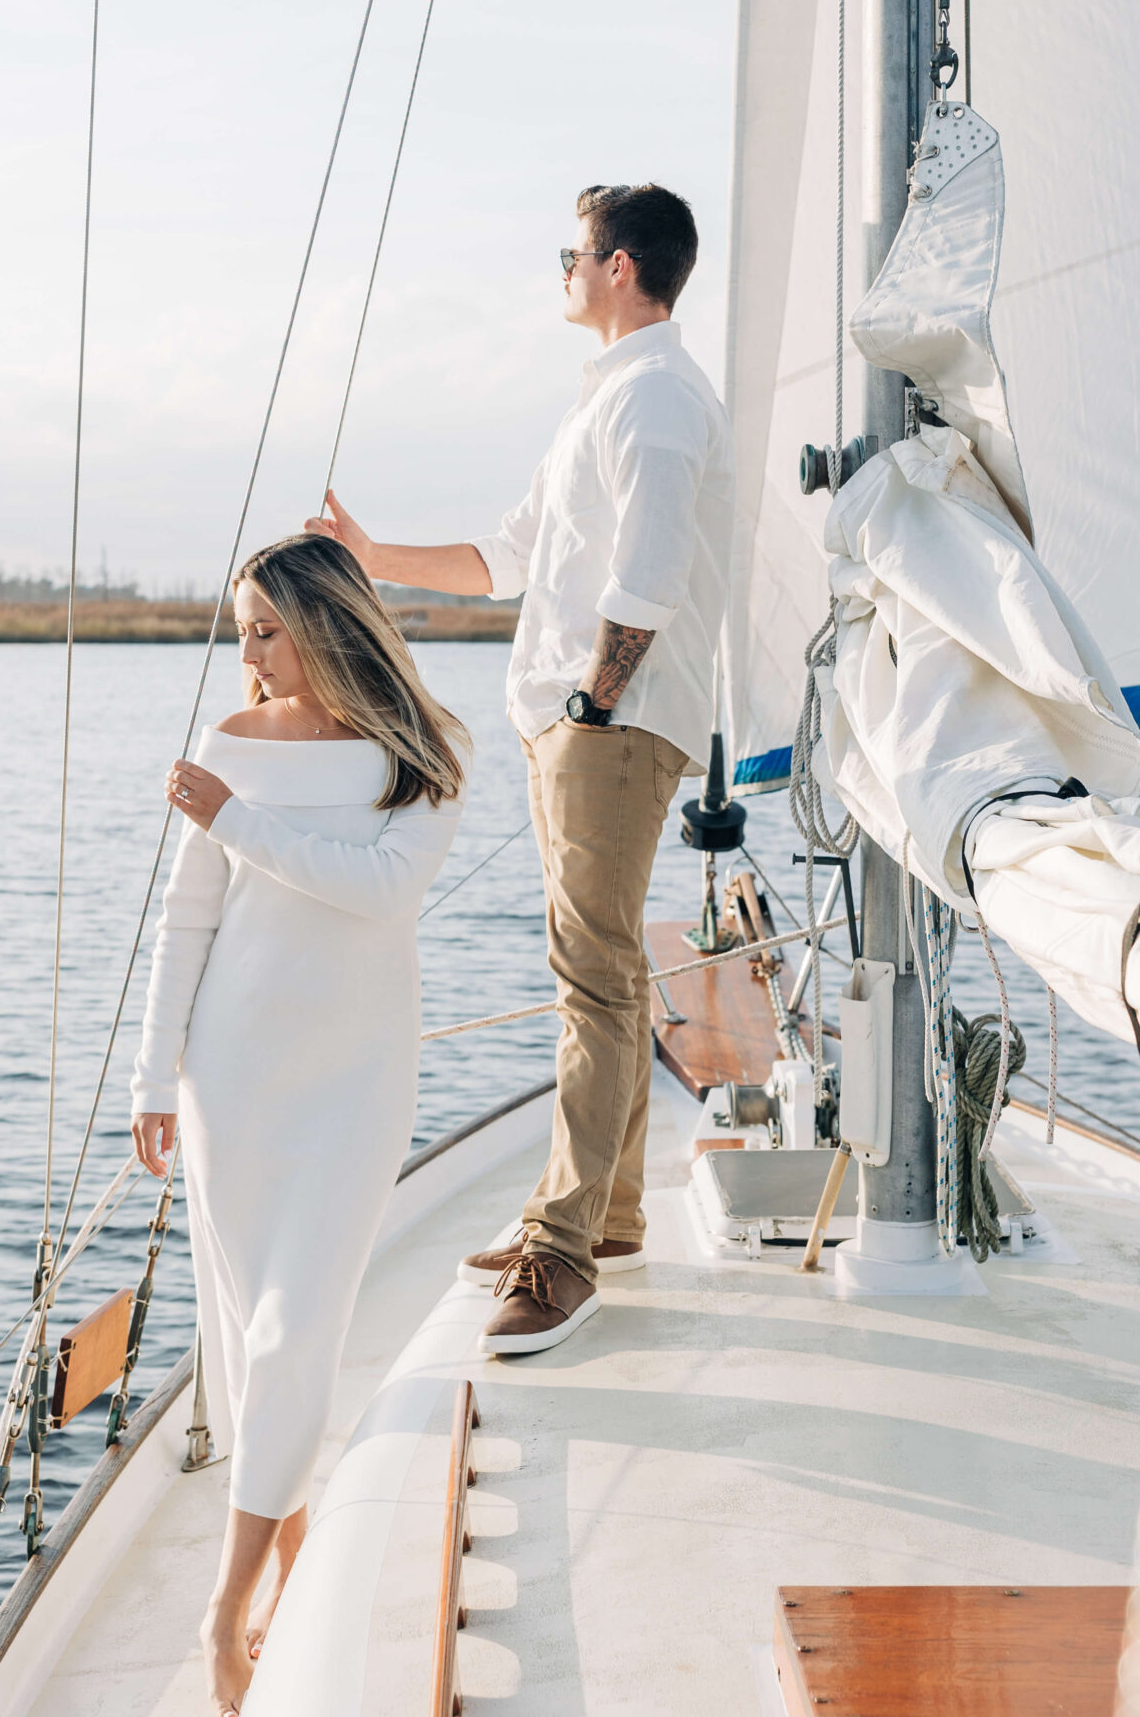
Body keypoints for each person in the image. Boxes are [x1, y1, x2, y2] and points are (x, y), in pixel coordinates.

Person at [308, 180, 733, 1360]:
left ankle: (564, 1250)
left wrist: (593, 701)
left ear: (620, 267)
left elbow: (646, 572)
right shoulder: (608, 400)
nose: (561, 267)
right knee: (602, 973)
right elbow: (508, 556)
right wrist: (369, 553)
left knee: (591, 978)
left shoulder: (654, 400)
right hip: (583, 720)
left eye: (573, 251)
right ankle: (613, 1214)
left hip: (607, 721)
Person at [129, 531, 469, 1716]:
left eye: (267, 628)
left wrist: (234, 818)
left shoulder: (422, 754)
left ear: (330, 621)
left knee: (291, 1329)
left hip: (354, 1081)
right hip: (235, 1073)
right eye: (241, 630)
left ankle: (224, 1610)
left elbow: (378, 893)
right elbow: (186, 926)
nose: (251, 653)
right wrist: (152, 1079)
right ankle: (292, 1548)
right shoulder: (230, 746)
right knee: (241, 1327)